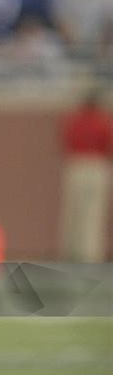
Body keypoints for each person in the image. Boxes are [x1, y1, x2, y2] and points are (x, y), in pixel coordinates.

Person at [59, 92, 112, 262]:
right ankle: (89, 254)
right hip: (96, 165)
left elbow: (66, 141)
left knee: (72, 212)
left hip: (75, 165)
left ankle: (69, 251)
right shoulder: (103, 121)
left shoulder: (74, 121)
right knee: (92, 213)